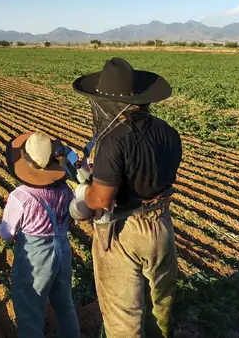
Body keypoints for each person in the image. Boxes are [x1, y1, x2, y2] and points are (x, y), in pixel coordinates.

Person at [69, 58, 182, 338]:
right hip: (162, 225)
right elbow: (146, 170)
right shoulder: (169, 133)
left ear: (107, 103)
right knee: (160, 305)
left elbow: (100, 200)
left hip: (125, 229)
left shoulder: (114, 140)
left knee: (124, 319)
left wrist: (82, 194)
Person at [0, 132, 81, 338]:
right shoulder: (65, 190)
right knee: (64, 305)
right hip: (62, 250)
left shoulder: (21, 196)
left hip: (35, 258)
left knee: (30, 310)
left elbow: (6, 233)